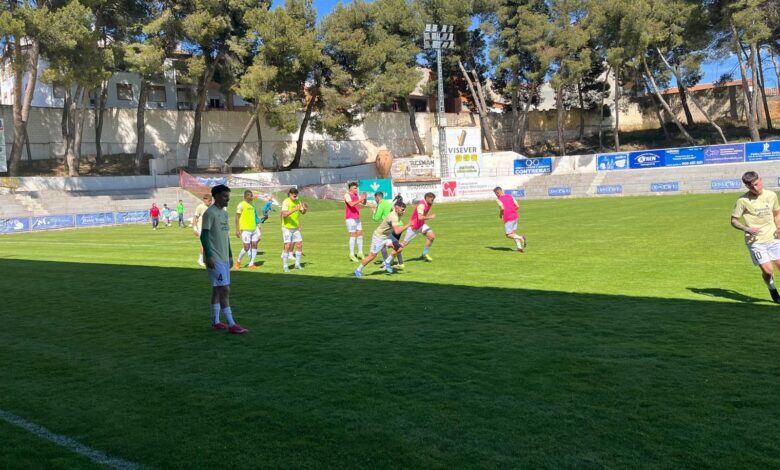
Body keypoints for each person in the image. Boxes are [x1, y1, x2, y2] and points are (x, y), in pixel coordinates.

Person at [200, 184, 248, 334]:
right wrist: (209, 256)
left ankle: (215, 322)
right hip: (215, 258)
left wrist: (230, 255)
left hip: (224, 258)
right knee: (224, 289)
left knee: (217, 289)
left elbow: (225, 237)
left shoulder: (224, 214)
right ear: (217, 196)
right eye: (225, 196)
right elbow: (204, 236)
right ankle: (232, 324)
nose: (228, 199)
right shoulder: (210, 213)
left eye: (228, 196)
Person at [730, 171, 780, 303]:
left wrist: (779, 227)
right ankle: (772, 289)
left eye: (757, 184)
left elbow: (776, 213)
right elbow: (734, 221)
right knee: (768, 271)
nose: (755, 188)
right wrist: (747, 229)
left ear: (760, 180)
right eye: (751, 187)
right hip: (756, 242)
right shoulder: (742, 201)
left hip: (774, 237)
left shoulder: (771, 195)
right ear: (747, 186)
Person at [354, 198, 410, 278]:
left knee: (399, 248)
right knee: (372, 256)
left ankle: (387, 262)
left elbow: (392, 206)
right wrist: (408, 225)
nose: (404, 212)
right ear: (397, 208)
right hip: (379, 237)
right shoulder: (394, 216)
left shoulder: (396, 212)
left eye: (404, 210)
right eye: (402, 210)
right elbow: (397, 231)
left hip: (387, 236)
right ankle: (358, 270)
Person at [372, 192, 405, 269]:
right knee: (396, 245)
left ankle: (386, 262)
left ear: (377, 197)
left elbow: (376, 218)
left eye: (375, 198)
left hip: (393, 227)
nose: (375, 200)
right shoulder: (388, 203)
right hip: (399, 225)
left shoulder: (381, 204)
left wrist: (374, 212)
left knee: (383, 245)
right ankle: (400, 263)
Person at [401, 192, 437, 261]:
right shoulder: (421, 205)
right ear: (427, 198)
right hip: (414, 226)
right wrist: (430, 217)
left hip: (421, 225)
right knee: (404, 244)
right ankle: (389, 260)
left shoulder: (429, 203)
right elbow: (420, 217)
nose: (433, 201)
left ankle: (424, 254)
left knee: (431, 236)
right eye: (432, 199)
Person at [280, 187, 308, 272]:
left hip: (295, 228)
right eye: (293, 193)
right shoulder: (286, 202)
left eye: (296, 193)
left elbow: (302, 212)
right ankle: (285, 266)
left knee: (299, 245)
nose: (295, 195)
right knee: (287, 246)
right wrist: (294, 209)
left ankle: (297, 264)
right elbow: (284, 215)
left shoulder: (298, 201)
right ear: (290, 194)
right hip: (287, 228)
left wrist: (305, 209)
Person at [494, 187, 526, 252]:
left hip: (508, 217)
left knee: (508, 235)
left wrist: (500, 215)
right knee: (513, 233)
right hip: (515, 216)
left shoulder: (498, 199)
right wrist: (512, 210)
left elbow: (502, 208)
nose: (496, 195)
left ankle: (521, 238)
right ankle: (519, 247)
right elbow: (517, 206)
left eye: (495, 193)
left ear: (497, 193)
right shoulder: (510, 196)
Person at [235, 190, 261, 270]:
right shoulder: (241, 205)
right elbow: (237, 217)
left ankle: (251, 264)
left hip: (254, 229)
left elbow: (255, 216)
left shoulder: (252, 205)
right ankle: (238, 261)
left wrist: (258, 226)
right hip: (245, 230)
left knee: (254, 245)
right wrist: (237, 229)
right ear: (246, 196)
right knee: (246, 247)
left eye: (252, 195)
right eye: (251, 196)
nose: (252, 197)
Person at [344, 182, 367, 261]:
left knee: (360, 233)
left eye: (356, 188)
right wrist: (360, 199)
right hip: (350, 218)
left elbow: (363, 203)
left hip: (357, 217)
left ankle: (360, 252)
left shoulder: (356, 195)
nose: (356, 189)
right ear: (350, 188)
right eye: (355, 188)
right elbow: (351, 204)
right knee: (353, 234)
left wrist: (364, 198)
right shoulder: (347, 195)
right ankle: (352, 254)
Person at [193, 194, 212, 266]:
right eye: (208, 200)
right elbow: (195, 217)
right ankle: (200, 259)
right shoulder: (200, 207)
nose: (209, 202)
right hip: (201, 228)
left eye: (210, 201)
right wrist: (195, 228)